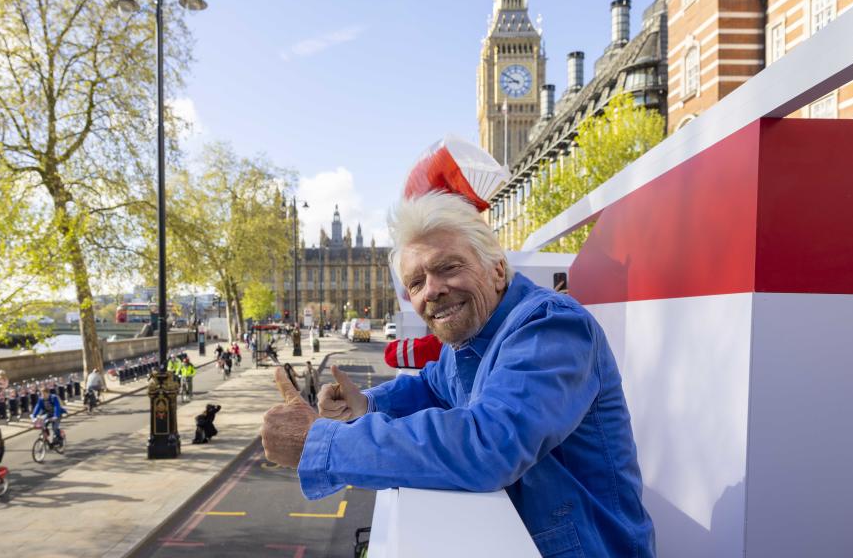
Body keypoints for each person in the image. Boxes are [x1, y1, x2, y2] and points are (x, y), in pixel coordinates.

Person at [261, 191, 655, 557]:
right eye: (416, 282)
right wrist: (366, 403)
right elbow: (433, 387)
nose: (431, 291)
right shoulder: (472, 338)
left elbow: (489, 443)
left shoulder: (551, 328)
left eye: (447, 268)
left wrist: (321, 443)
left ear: (498, 271)